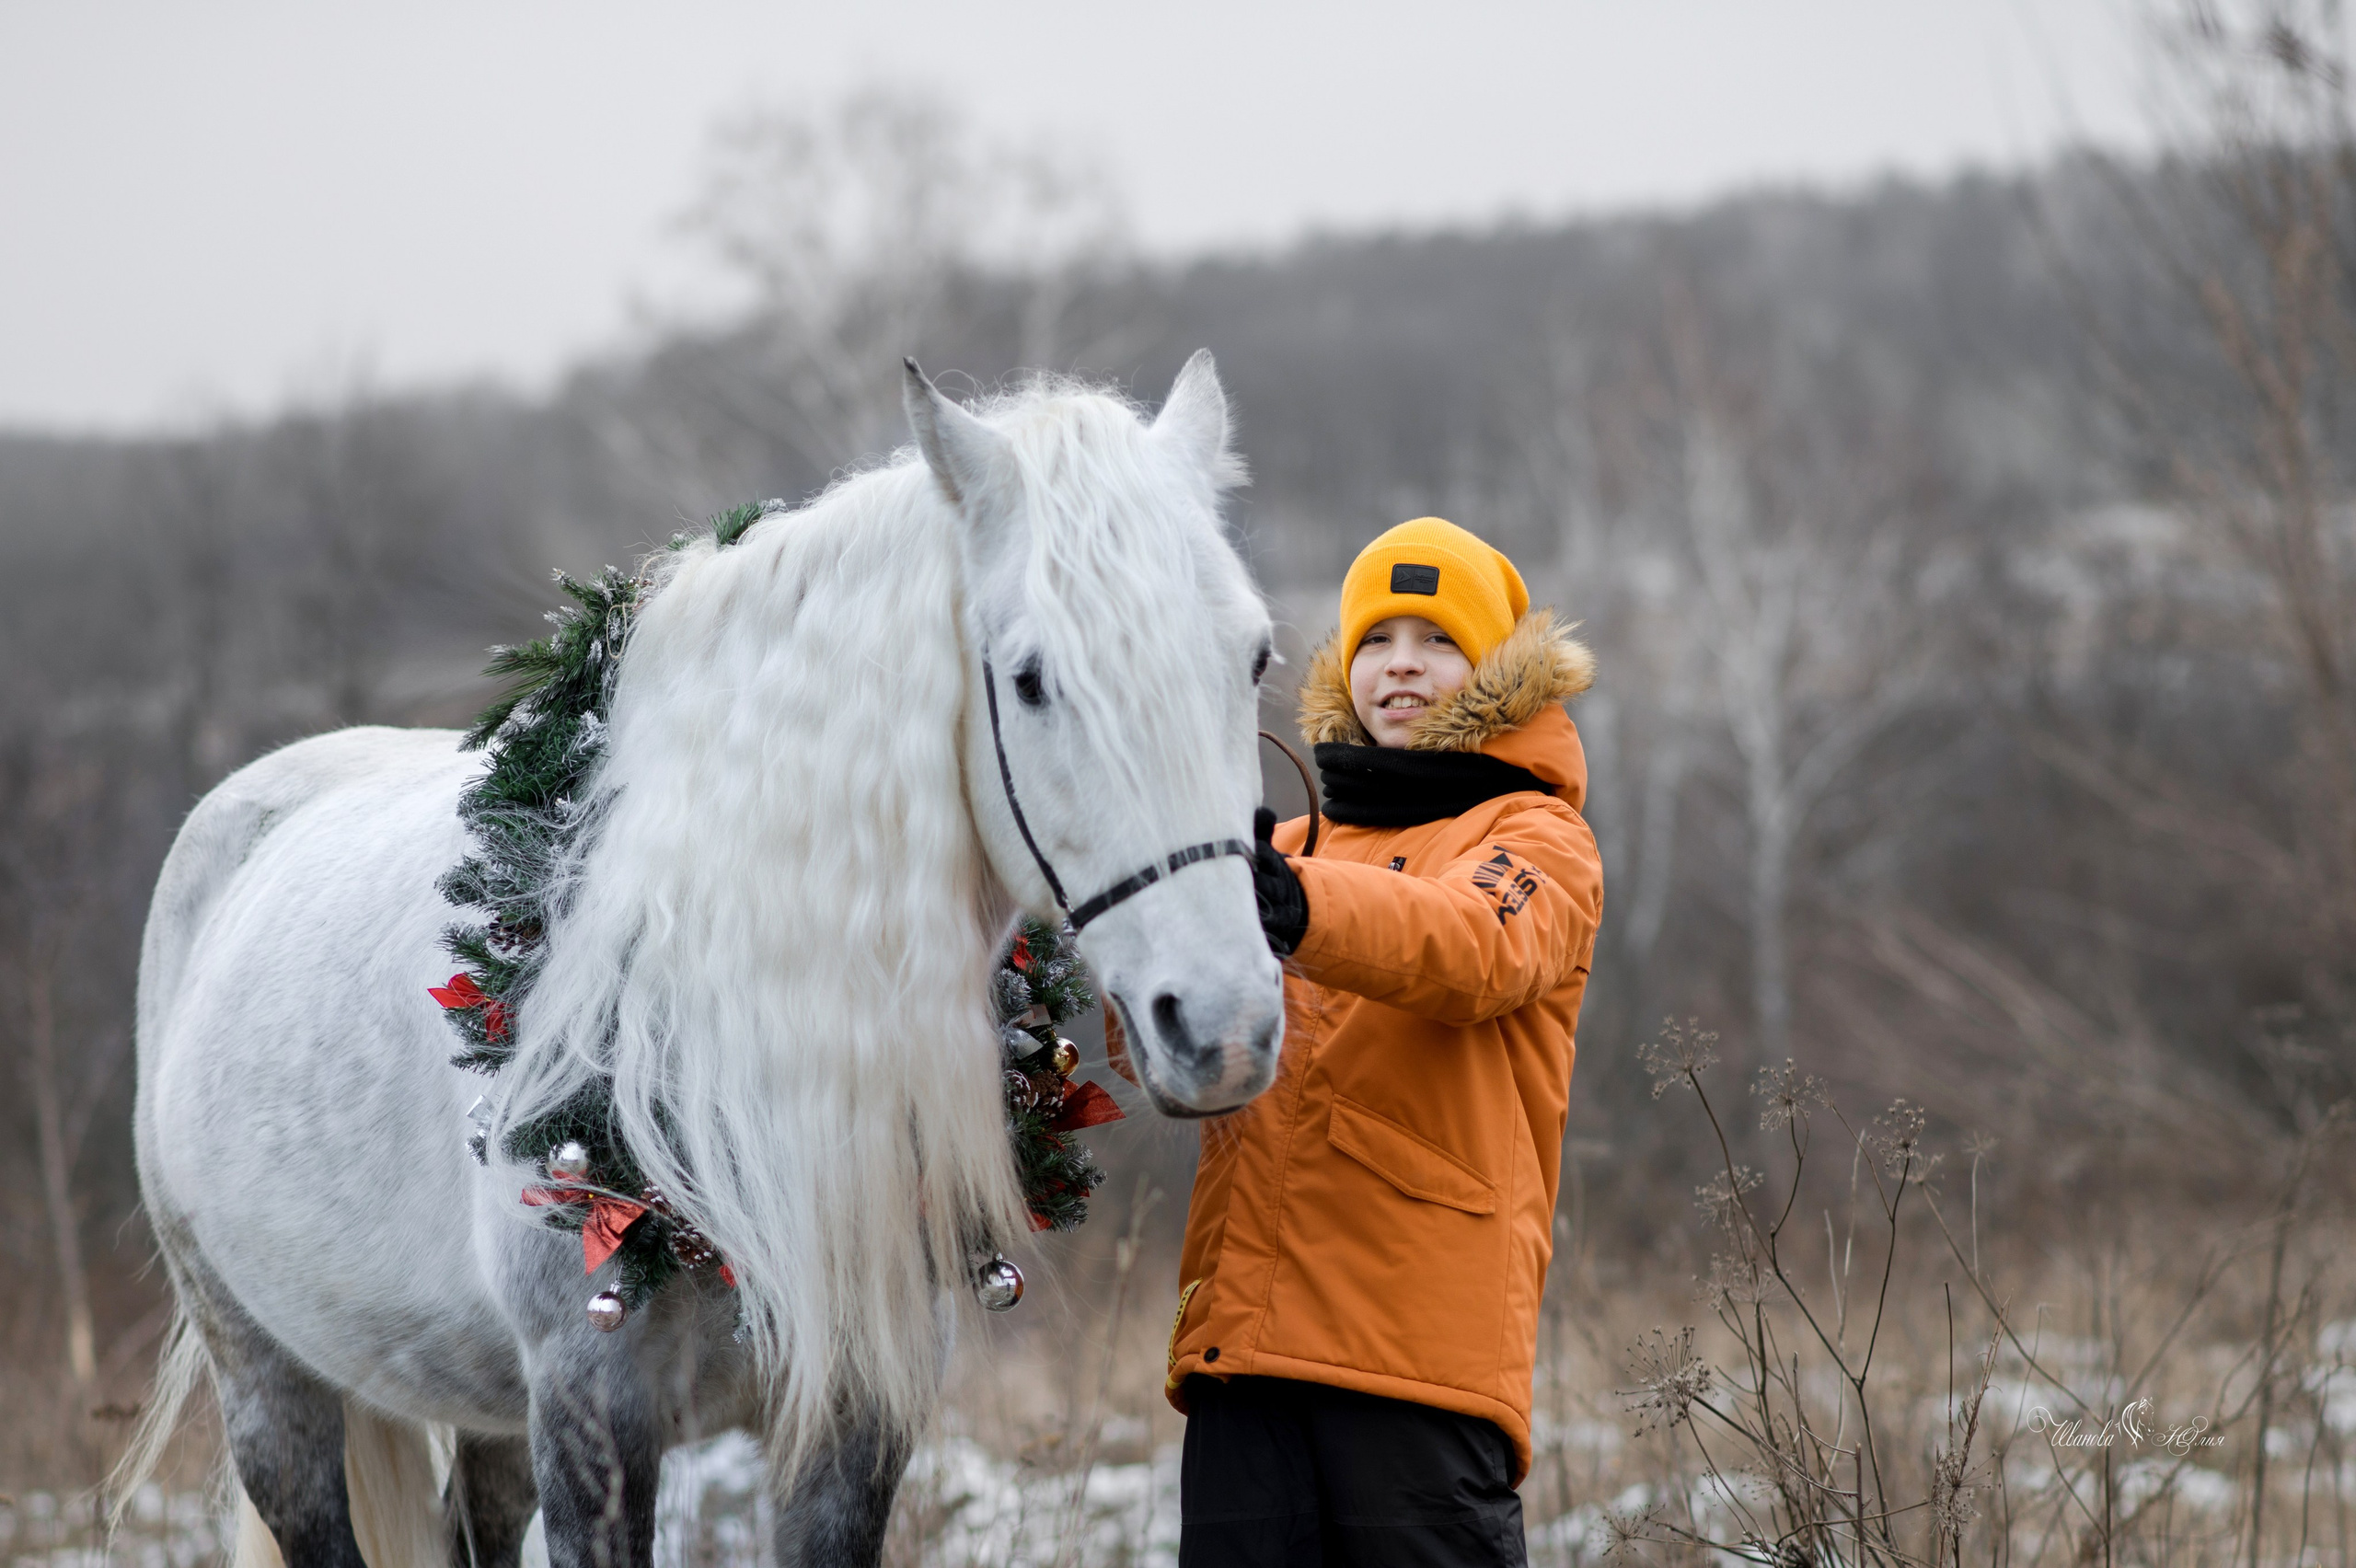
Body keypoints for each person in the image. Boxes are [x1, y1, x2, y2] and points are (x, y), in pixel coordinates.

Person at [1146, 516, 1602, 1568]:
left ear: (1496, 666)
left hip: (1416, 1363)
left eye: (1437, 639)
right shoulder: (1287, 851)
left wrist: (1290, 904)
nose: (1402, 662)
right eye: (1376, 638)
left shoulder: (1536, 838)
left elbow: (1474, 947)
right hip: (1242, 1355)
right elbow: (1170, 1052)